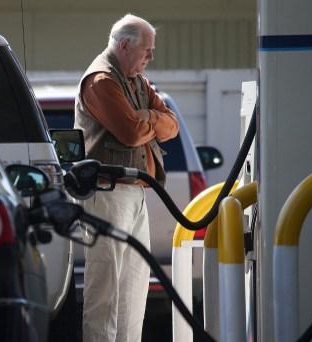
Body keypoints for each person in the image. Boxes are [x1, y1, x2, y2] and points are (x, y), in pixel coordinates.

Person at [74, 14, 179, 342]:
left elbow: (172, 125)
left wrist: (146, 116)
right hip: (107, 193)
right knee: (105, 288)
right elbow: (131, 133)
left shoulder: (137, 81)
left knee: (134, 287)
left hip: (135, 192)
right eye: (147, 50)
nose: (150, 57)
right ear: (124, 45)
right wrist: (151, 120)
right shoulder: (102, 80)